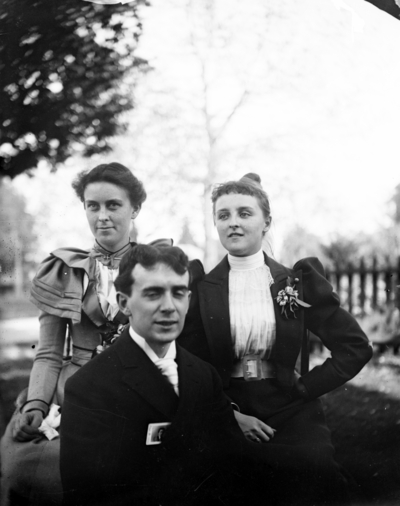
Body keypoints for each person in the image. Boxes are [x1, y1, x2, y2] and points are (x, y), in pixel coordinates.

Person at [178, 173, 373, 504]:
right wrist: (228, 414)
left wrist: (305, 388)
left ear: (266, 221)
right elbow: (188, 363)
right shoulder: (201, 287)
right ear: (215, 223)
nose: (233, 223)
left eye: (245, 213)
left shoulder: (295, 283)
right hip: (228, 407)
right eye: (223, 215)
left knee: (312, 469)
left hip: (290, 408)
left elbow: (355, 347)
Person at [60, 244, 274, 506]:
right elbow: (89, 496)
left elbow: (230, 465)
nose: (169, 307)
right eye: (153, 294)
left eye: (179, 293)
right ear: (124, 303)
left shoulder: (203, 376)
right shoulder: (89, 387)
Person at [0, 162, 150, 506]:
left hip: (141, 388)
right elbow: (49, 352)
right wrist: (37, 404)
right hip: (75, 392)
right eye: (92, 205)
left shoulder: (154, 265)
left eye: (113, 205)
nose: (102, 216)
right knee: (24, 465)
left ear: (135, 208)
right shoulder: (64, 270)